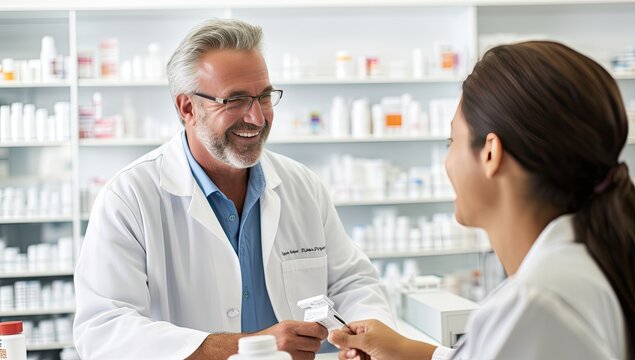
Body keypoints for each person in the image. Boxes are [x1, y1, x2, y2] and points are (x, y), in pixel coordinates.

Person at [73, 18, 395, 360]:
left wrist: (366, 337)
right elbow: (104, 329)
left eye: (264, 97)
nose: (256, 117)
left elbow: (351, 282)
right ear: (187, 108)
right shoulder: (129, 198)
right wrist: (248, 347)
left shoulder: (303, 186)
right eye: (235, 100)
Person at [329, 41, 634, 360]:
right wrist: (406, 350)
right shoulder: (585, 261)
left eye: (452, 140)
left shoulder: (536, 303)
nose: (446, 160)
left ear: (490, 153)